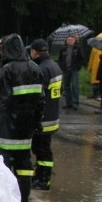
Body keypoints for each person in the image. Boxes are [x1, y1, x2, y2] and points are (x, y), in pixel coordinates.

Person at [0, 34, 44, 202]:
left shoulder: (7, 70)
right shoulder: (36, 69)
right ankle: (24, 199)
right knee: (24, 165)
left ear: (8, 50)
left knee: (0, 167)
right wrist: (37, 122)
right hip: (26, 131)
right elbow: (41, 101)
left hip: (6, 130)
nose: (1, 53)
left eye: (2, 50)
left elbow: (0, 103)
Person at [29, 39, 63, 191]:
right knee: (44, 149)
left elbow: (37, 95)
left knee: (41, 150)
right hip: (52, 115)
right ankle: (42, 178)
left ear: (35, 52)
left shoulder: (41, 69)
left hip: (43, 118)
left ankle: (43, 180)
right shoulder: (55, 66)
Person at [57, 35, 85, 110]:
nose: (69, 41)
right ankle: (68, 103)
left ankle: (75, 103)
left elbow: (81, 59)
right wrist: (61, 66)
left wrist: (77, 67)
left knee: (75, 86)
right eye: (68, 40)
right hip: (65, 70)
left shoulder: (77, 49)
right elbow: (59, 59)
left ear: (74, 41)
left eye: (71, 40)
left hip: (74, 70)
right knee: (66, 86)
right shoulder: (63, 49)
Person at [87, 33, 102, 98]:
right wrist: (90, 67)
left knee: (99, 81)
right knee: (95, 81)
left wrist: (90, 67)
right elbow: (91, 58)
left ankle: (98, 94)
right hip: (96, 67)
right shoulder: (95, 48)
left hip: (100, 67)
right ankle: (95, 94)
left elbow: (91, 58)